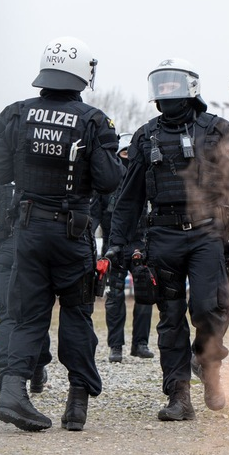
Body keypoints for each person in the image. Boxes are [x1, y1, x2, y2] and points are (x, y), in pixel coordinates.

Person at [0, 35, 124, 432]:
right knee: (76, 315)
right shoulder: (93, 120)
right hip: (72, 234)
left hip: (26, 231)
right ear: (82, 75)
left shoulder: (16, 113)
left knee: (26, 316)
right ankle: (76, 404)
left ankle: (13, 393)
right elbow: (110, 180)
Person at [109, 59, 229, 421]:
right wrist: (117, 242)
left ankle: (209, 367)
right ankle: (179, 397)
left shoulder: (216, 130)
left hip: (207, 233)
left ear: (190, 88)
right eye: (160, 85)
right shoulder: (146, 136)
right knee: (170, 319)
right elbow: (129, 197)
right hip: (162, 236)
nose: (165, 92)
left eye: (172, 84)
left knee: (209, 308)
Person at [0, 179, 52, 392]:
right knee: (36, 313)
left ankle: (7, 372)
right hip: (37, 247)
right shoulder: (44, 168)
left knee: (8, 314)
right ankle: (36, 370)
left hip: (8, 247)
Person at [91, 132, 153, 363]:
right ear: (118, 155)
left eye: (131, 152)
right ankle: (115, 346)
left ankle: (141, 343)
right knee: (114, 297)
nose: (127, 157)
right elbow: (94, 214)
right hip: (112, 247)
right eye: (124, 152)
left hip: (141, 244)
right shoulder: (107, 182)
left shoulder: (146, 177)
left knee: (145, 294)